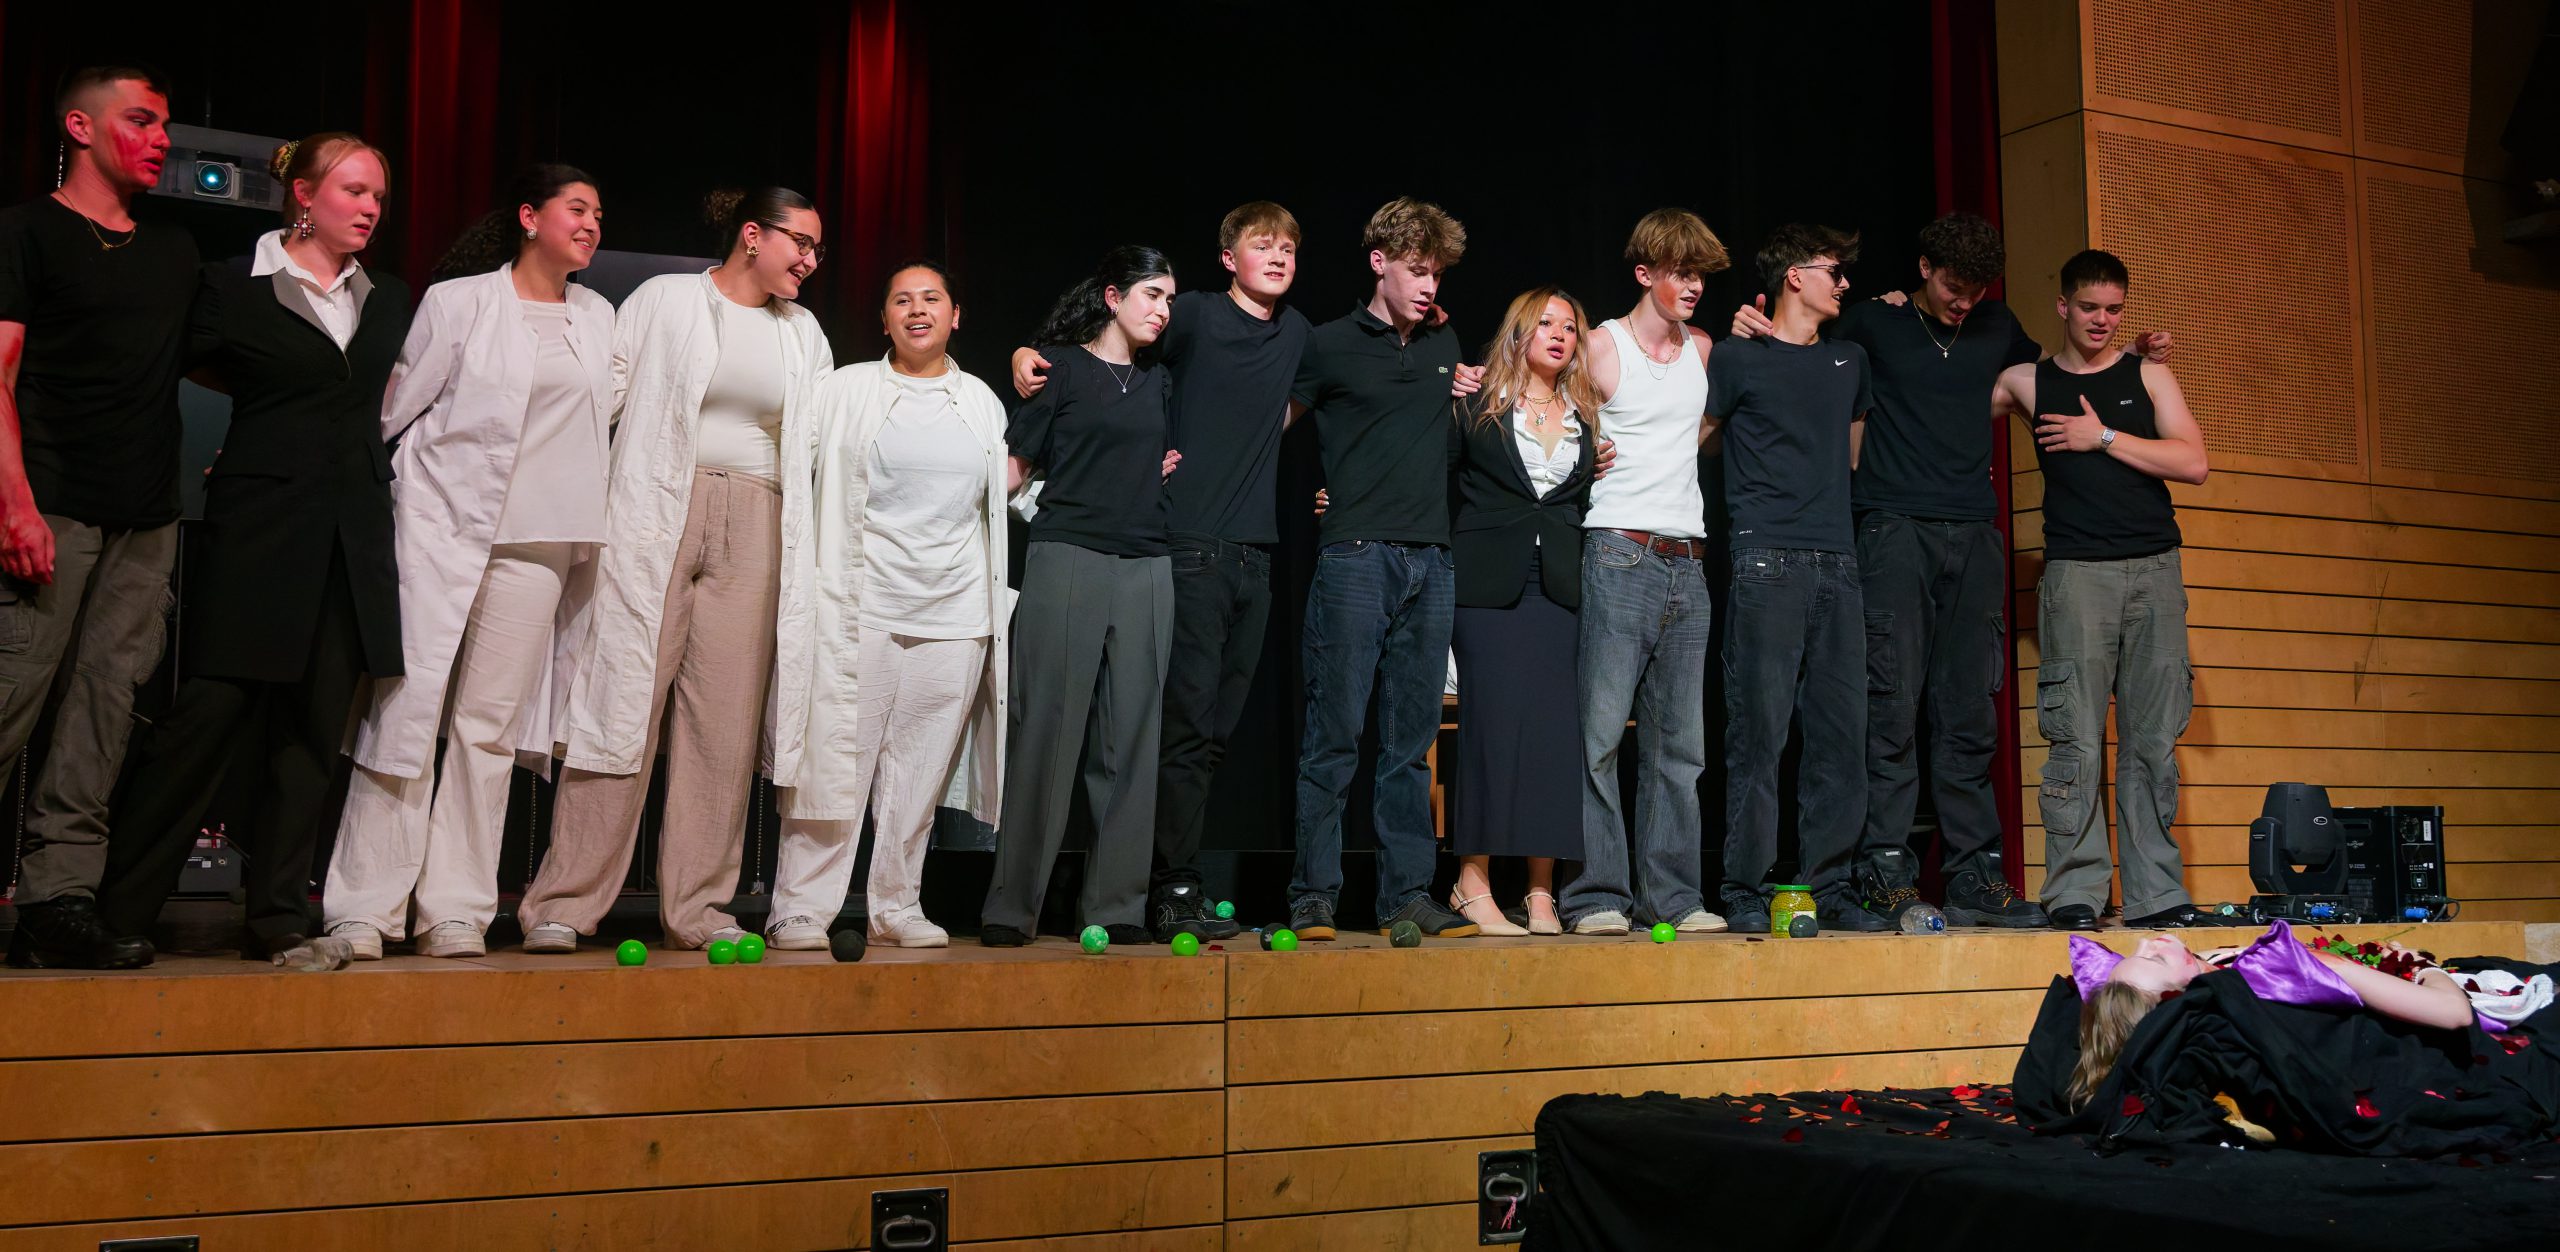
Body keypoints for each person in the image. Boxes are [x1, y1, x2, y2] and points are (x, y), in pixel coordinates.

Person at [93, 133, 411, 958]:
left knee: (310, 736)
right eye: (353, 191)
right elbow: (191, 367)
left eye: (378, 195)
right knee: (207, 718)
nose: (370, 208)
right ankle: (121, 910)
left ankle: (277, 920)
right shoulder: (234, 286)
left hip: (349, 537)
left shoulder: (386, 298)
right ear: (303, 194)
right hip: (260, 529)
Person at [518, 187, 833, 953]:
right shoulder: (665, 299)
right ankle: (564, 902)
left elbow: (828, 438)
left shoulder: (804, 333)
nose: (811, 261)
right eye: (801, 243)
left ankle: (698, 907)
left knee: (723, 723)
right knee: (621, 704)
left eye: (818, 250)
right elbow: (599, 398)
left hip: (757, 520)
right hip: (658, 507)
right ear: (753, 235)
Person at [320, 166, 615, 959]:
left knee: (488, 731)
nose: (591, 225)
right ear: (530, 217)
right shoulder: (459, 302)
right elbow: (396, 407)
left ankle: (455, 908)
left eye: (597, 214)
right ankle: (364, 907)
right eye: (576, 209)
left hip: (540, 545)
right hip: (440, 529)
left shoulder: (598, 317)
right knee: (403, 714)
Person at [1011, 202, 1309, 943]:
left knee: (1204, 736)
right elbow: (1102, 348)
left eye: (1289, 248)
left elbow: (1340, 382)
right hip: (1180, 547)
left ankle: (1149, 890)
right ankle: (1165, 889)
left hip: (1256, 555)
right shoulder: (1194, 315)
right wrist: (1029, 353)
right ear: (1229, 257)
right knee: (1163, 731)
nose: (1278, 258)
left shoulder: (1299, 333)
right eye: (1262, 245)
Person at [0, 67, 197, 970]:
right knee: (11, 694)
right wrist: (14, 504)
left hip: (145, 517)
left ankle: (58, 900)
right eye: (141, 121)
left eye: (164, 125)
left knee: (103, 711)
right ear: (80, 126)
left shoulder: (174, 251)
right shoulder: (26, 231)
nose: (161, 139)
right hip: (52, 503)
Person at [766, 261, 1008, 950]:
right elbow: (790, 465)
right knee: (836, 760)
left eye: (932, 298)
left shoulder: (981, 401)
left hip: (955, 613)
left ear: (955, 315)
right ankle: (801, 907)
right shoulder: (844, 389)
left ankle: (897, 905)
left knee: (920, 772)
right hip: (861, 605)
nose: (917, 310)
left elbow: (1008, 493)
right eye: (902, 300)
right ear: (883, 320)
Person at [1992, 249, 2214, 932]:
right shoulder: (2026, 381)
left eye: (2114, 309)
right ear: (2063, 306)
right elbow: (1940, 392)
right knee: (2075, 739)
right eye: (2089, 307)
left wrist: (2104, 436)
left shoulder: (2147, 372)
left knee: (2151, 740)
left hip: (2153, 570)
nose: (2102, 320)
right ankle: (2075, 889)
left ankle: (2155, 891)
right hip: (2076, 574)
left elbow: (2193, 462)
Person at [1286, 197, 1481, 941]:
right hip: (1356, 558)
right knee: (1334, 734)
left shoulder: (1443, 342)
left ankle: (1406, 894)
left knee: (1410, 744)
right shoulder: (1329, 344)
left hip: (1432, 559)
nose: (1429, 286)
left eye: (1437, 274)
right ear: (1379, 263)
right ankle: (1313, 894)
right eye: (1416, 270)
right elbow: (1270, 423)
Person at [978, 246, 1179, 947]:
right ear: (1113, 297)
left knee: (1132, 742)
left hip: (1148, 566)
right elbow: (1012, 468)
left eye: (1170, 299)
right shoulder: (1058, 368)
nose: (1162, 310)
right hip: (1067, 557)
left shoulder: (1161, 381)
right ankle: (1012, 907)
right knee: (1047, 731)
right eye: (1151, 294)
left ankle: (1115, 907)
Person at [1561, 208, 1728, 938]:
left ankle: (1673, 898)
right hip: (1619, 551)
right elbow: (1549, 420)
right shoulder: (1602, 345)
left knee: (1680, 748)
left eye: (1700, 275)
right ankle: (1595, 894)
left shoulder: (1704, 349)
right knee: (1599, 736)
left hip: (1688, 560)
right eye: (1680, 273)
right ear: (1644, 273)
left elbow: (1700, 433)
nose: (1693, 286)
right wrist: (1586, 453)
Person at [1707, 224, 1876, 935]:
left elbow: (1852, 456)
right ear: (1794, 277)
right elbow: (1699, 439)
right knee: (1759, 733)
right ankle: (1744, 888)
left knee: (1840, 737)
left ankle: (1831, 886)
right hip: (1766, 560)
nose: (1845, 283)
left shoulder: (1849, 360)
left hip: (1837, 560)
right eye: (1834, 270)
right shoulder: (1735, 357)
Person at [1446, 288, 1601, 935]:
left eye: (1570, 327)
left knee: (1554, 737)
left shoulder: (1587, 417)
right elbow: (1430, 477)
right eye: (1546, 324)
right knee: (1490, 730)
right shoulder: (1475, 403)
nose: (1560, 335)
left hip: (1560, 589)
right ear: (1519, 333)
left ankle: (1541, 892)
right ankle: (1472, 882)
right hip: (1486, 587)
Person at [2065, 926, 2481, 1113]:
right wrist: (2425, 968)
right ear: (2185, 994)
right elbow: (2455, 1014)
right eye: (2154, 959)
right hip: (2433, 1042)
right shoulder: (2285, 973)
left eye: (2137, 951)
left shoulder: (2221, 1006)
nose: (2146, 941)